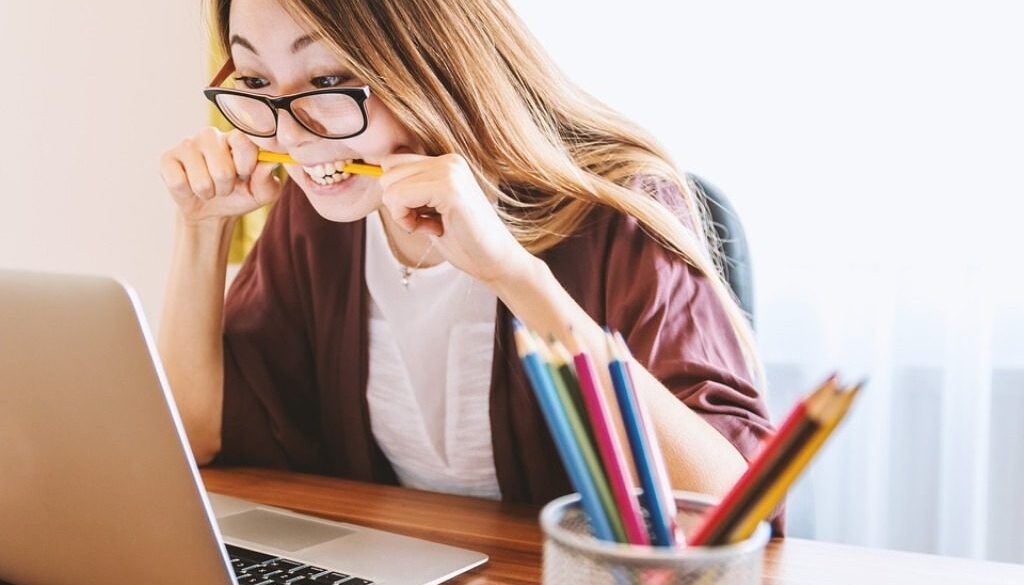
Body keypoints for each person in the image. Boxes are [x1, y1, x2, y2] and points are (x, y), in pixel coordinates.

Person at [158, 0, 776, 515]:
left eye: (327, 81)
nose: (290, 135)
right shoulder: (318, 215)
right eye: (256, 82)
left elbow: (731, 508)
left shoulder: (617, 209)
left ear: (432, 62)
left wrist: (512, 274)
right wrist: (201, 228)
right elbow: (196, 436)